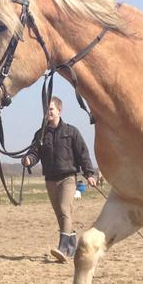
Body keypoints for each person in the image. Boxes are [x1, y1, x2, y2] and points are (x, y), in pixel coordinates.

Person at [21, 96, 100, 262]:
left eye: (51, 109)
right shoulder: (40, 134)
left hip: (68, 178)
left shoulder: (71, 132)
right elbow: (35, 153)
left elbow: (83, 154)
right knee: (61, 214)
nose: (48, 112)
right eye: (46, 109)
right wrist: (29, 160)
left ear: (59, 111)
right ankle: (71, 245)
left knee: (64, 209)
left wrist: (89, 174)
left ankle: (62, 248)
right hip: (50, 179)